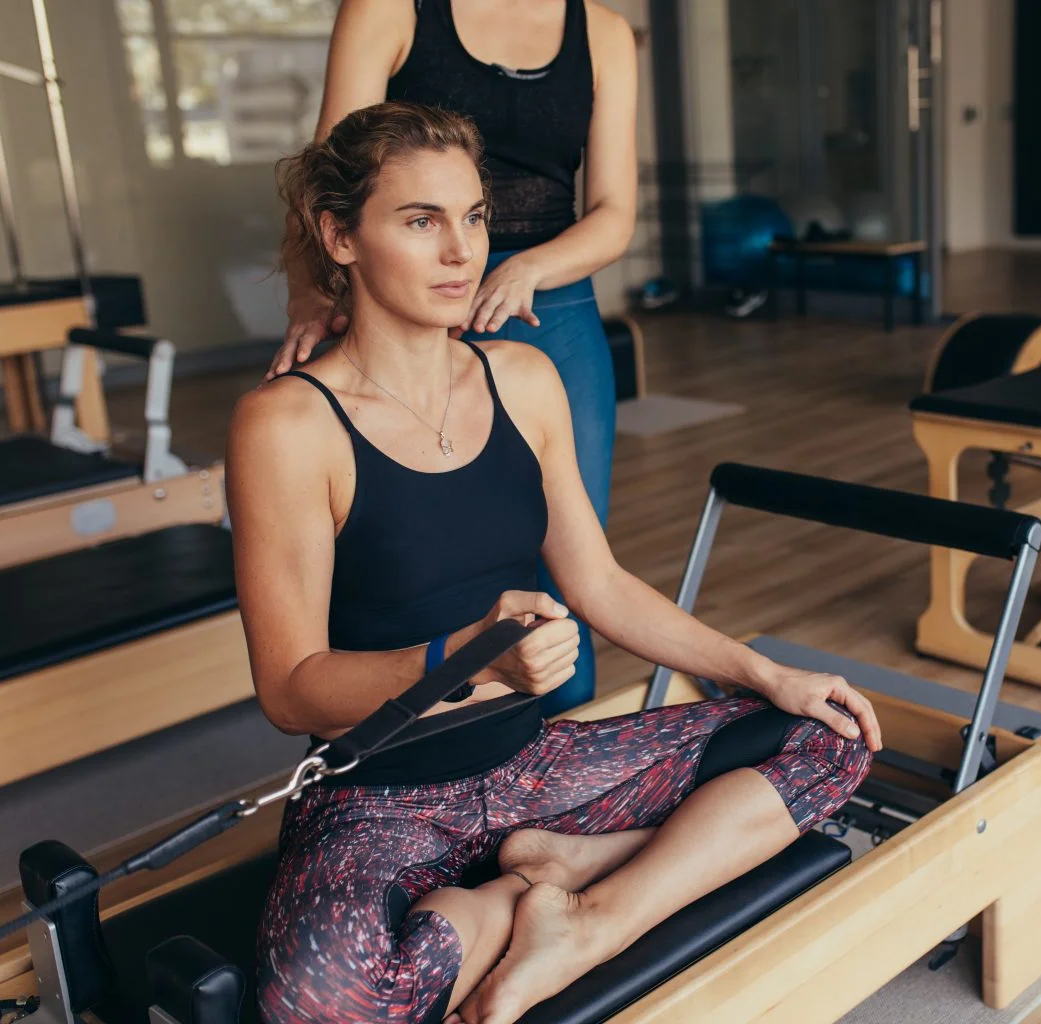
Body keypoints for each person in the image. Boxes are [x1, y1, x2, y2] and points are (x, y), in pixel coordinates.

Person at [227, 103, 878, 1024]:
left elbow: (599, 581)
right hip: (383, 798)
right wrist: (468, 660)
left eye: (475, 217)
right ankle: (513, 902)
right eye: (421, 222)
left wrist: (765, 672)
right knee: (320, 1003)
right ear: (341, 236)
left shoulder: (522, 379)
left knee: (829, 736)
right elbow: (290, 690)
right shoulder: (288, 426)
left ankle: (589, 914)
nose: (462, 252)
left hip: (537, 771)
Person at [266, 0, 639, 713]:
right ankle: (430, 757)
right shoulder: (387, 9)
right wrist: (311, 302)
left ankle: (549, 750)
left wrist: (527, 267)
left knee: (568, 571)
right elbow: (327, 177)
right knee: (409, 565)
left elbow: (615, 211)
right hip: (401, 283)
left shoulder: (606, 34)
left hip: (547, 299)